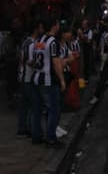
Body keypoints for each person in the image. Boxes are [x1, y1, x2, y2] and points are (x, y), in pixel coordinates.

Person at [31, 18, 66, 148]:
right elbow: (56, 62)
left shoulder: (38, 41)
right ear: (54, 26)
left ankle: (37, 136)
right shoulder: (53, 42)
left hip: (37, 78)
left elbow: (34, 60)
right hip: (48, 80)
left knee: (38, 109)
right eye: (57, 24)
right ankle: (51, 138)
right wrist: (62, 80)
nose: (58, 27)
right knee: (54, 110)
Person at [17, 19, 42, 137]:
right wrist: (40, 65)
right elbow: (28, 61)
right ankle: (30, 129)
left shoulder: (29, 42)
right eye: (41, 27)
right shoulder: (30, 43)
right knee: (33, 104)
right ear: (36, 29)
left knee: (25, 104)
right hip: (28, 77)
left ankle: (23, 128)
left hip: (24, 77)